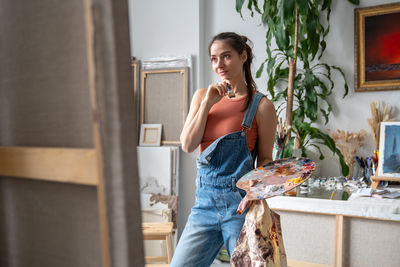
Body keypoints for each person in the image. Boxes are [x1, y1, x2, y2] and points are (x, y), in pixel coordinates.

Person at [171, 32, 277, 267]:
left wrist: (254, 194)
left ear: (243, 56)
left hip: (239, 207)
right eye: (214, 58)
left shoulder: (261, 106)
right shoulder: (202, 97)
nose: (219, 64)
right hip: (204, 206)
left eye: (226, 56)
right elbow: (188, 144)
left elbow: (266, 160)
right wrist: (208, 103)